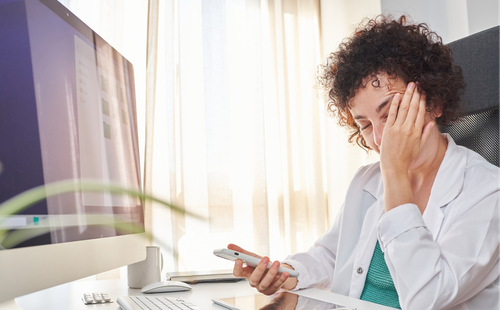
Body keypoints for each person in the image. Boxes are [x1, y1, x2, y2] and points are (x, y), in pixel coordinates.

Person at [229, 15, 500, 310]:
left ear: (433, 102)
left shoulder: (488, 192)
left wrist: (395, 173)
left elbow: (427, 297)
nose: (380, 138)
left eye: (390, 113)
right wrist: (286, 275)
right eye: (365, 125)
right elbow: (332, 257)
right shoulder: (366, 182)